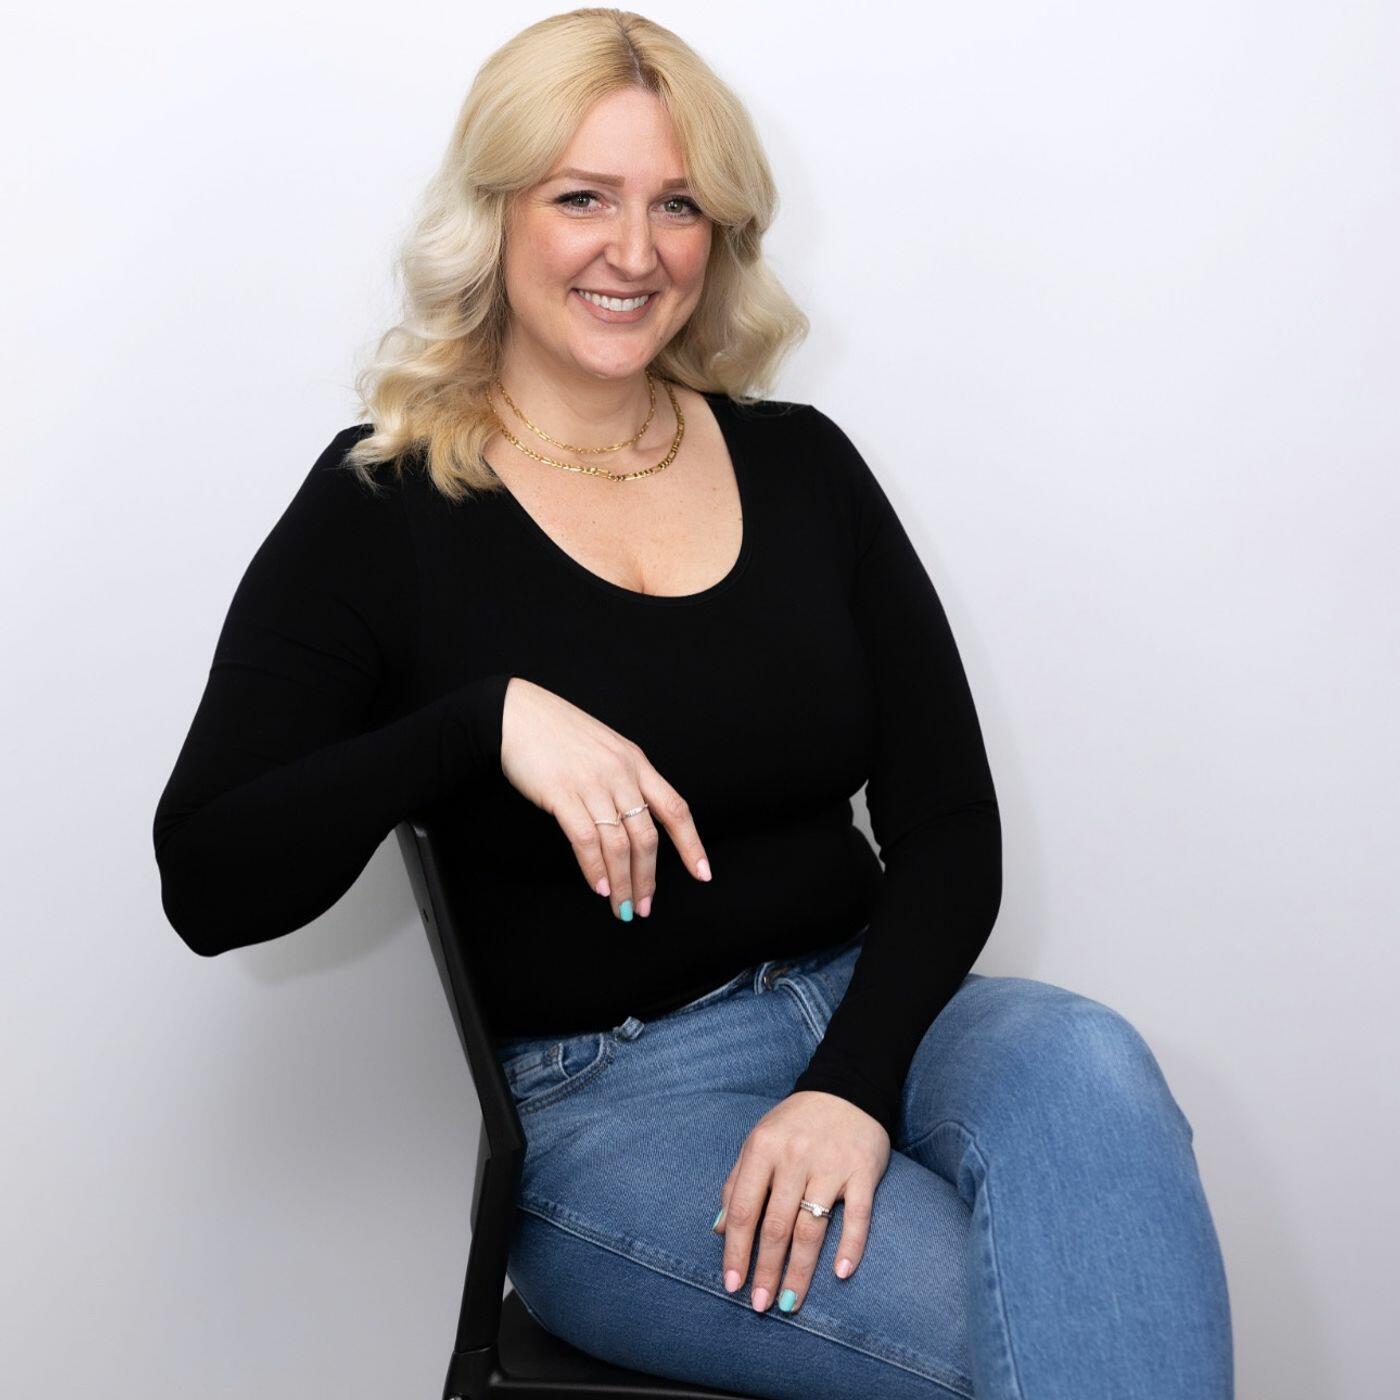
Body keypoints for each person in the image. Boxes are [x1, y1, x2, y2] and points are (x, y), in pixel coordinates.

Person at [152, 9, 1234, 1398]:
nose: (635, 250)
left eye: (677, 205)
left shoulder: (801, 467)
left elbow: (950, 827)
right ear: (494, 216)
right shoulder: (385, 504)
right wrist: (477, 727)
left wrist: (850, 1083)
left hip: (880, 1012)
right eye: (582, 198)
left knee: (1086, 1062)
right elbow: (209, 879)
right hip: (620, 1106)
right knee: (1078, 1324)